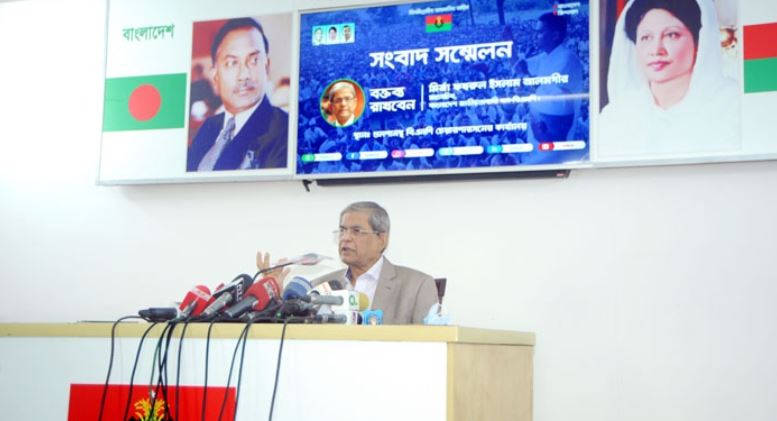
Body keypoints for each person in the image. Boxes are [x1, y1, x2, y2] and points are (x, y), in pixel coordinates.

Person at [598, 0, 739, 158]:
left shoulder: (732, 106)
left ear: (699, 41)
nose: (656, 50)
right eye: (646, 37)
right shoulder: (617, 115)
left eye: (671, 35)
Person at [187, 18, 288, 172]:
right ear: (215, 75)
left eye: (254, 60)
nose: (244, 75)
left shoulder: (284, 129)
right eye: (232, 63)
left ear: (267, 67)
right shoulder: (209, 126)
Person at [317, 202, 438, 324]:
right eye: (342, 230)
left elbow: (429, 335)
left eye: (357, 231)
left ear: (382, 239)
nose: (345, 238)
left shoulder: (417, 286)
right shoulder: (319, 286)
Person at [518, 13, 584, 164]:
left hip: (554, 142)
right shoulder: (545, 57)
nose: (535, 36)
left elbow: (552, 93)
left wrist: (528, 92)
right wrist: (510, 47)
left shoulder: (567, 58)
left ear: (555, 35)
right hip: (543, 140)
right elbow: (521, 68)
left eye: (540, 32)